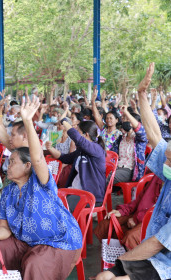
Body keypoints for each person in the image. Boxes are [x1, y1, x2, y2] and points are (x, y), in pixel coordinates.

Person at [0, 95, 82, 280]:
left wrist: (29, 121)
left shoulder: (39, 181)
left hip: (58, 241)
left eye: (12, 162)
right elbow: (4, 228)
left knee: (34, 262)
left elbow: (37, 158)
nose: (8, 166)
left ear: (27, 166)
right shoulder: (8, 192)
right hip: (28, 242)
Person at [97, 63, 170, 280]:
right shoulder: (165, 177)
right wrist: (141, 94)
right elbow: (155, 137)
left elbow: (157, 244)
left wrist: (121, 264)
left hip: (164, 264)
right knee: (104, 276)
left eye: (168, 161)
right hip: (151, 254)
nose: (163, 163)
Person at [46, 120, 106, 210]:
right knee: (48, 199)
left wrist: (66, 123)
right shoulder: (81, 150)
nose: (76, 135)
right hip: (75, 190)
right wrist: (50, 148)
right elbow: (65, 158)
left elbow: (79, 139)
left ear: (86, 135)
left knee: (55, 208)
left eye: (78, 132)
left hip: (89, 194)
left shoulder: (96, 148)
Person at [94, 174, 162, 250]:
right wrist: (122, 211)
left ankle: (131, 260)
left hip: (158, 224)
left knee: (131, 237)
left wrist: (137, 220)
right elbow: (140, 199)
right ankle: (112, 257)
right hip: (139, 214)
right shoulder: (158, 177)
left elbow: (163, 217)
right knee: (106, 224)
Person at [110, 106, 147, 185]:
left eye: (128, 120)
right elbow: (112, 153)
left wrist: (126, 112)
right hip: (117, 166)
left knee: (109, 177)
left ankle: (97, 196)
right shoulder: (121, 138)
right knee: (99, 173)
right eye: (124, 119)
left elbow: (141, 131)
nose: (125, 122)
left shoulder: (139, 140)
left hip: (130, 170)